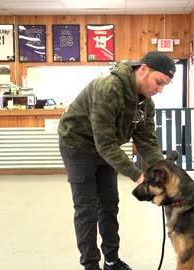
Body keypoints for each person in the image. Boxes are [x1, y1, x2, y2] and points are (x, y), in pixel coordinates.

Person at [58, 51, 176, 270]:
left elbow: (146, 140)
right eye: (158, 82)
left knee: (109, 204)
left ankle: (111, 260)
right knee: (87, 208)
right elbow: (105, 144)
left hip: (106, 149)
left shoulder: (146, 103)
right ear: (143, 70)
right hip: (78, 145)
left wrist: (162, 169)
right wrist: (138, 175)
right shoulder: (108, 88)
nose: (159, 90)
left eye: (164, 86)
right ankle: (91, 265)